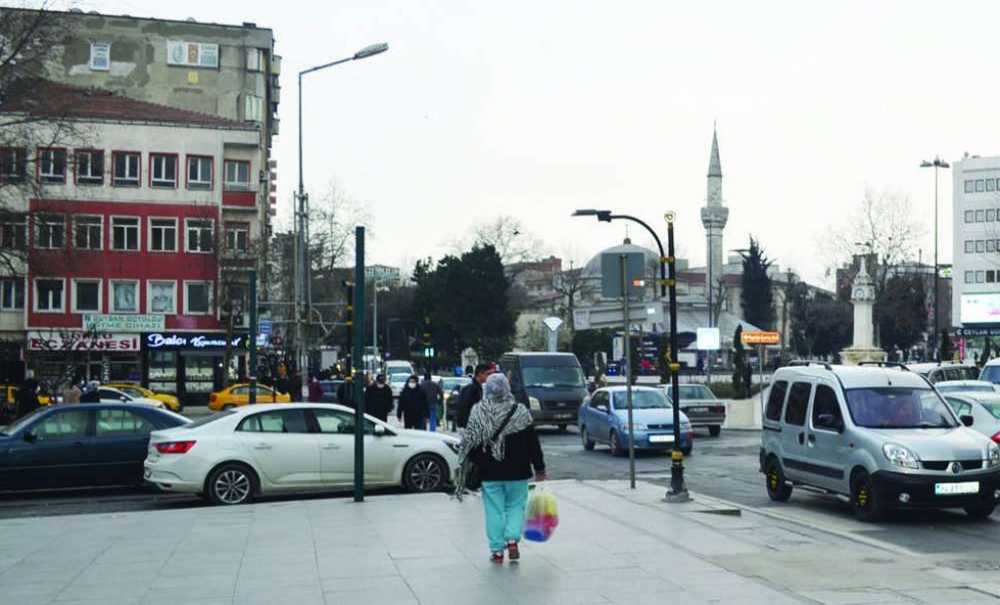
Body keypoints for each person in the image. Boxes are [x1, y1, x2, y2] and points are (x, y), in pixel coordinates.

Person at [455, 373, 546, 564]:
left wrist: (481, 461)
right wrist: (539, 468)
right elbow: (533, 443)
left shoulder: (479, 411)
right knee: (515, 506)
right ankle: (512, 539)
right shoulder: (520, 411)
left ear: (488, 389)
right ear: (507, 388)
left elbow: (470, 443)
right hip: (519, 472)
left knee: (494, 510)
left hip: (491, 473)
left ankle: (497, 551)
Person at [456, 363, 492, 429]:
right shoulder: (473, 389)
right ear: (480, 374)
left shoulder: (476, 387)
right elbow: (465, 407)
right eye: (487, 374)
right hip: (471, 425)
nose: (489, 377)